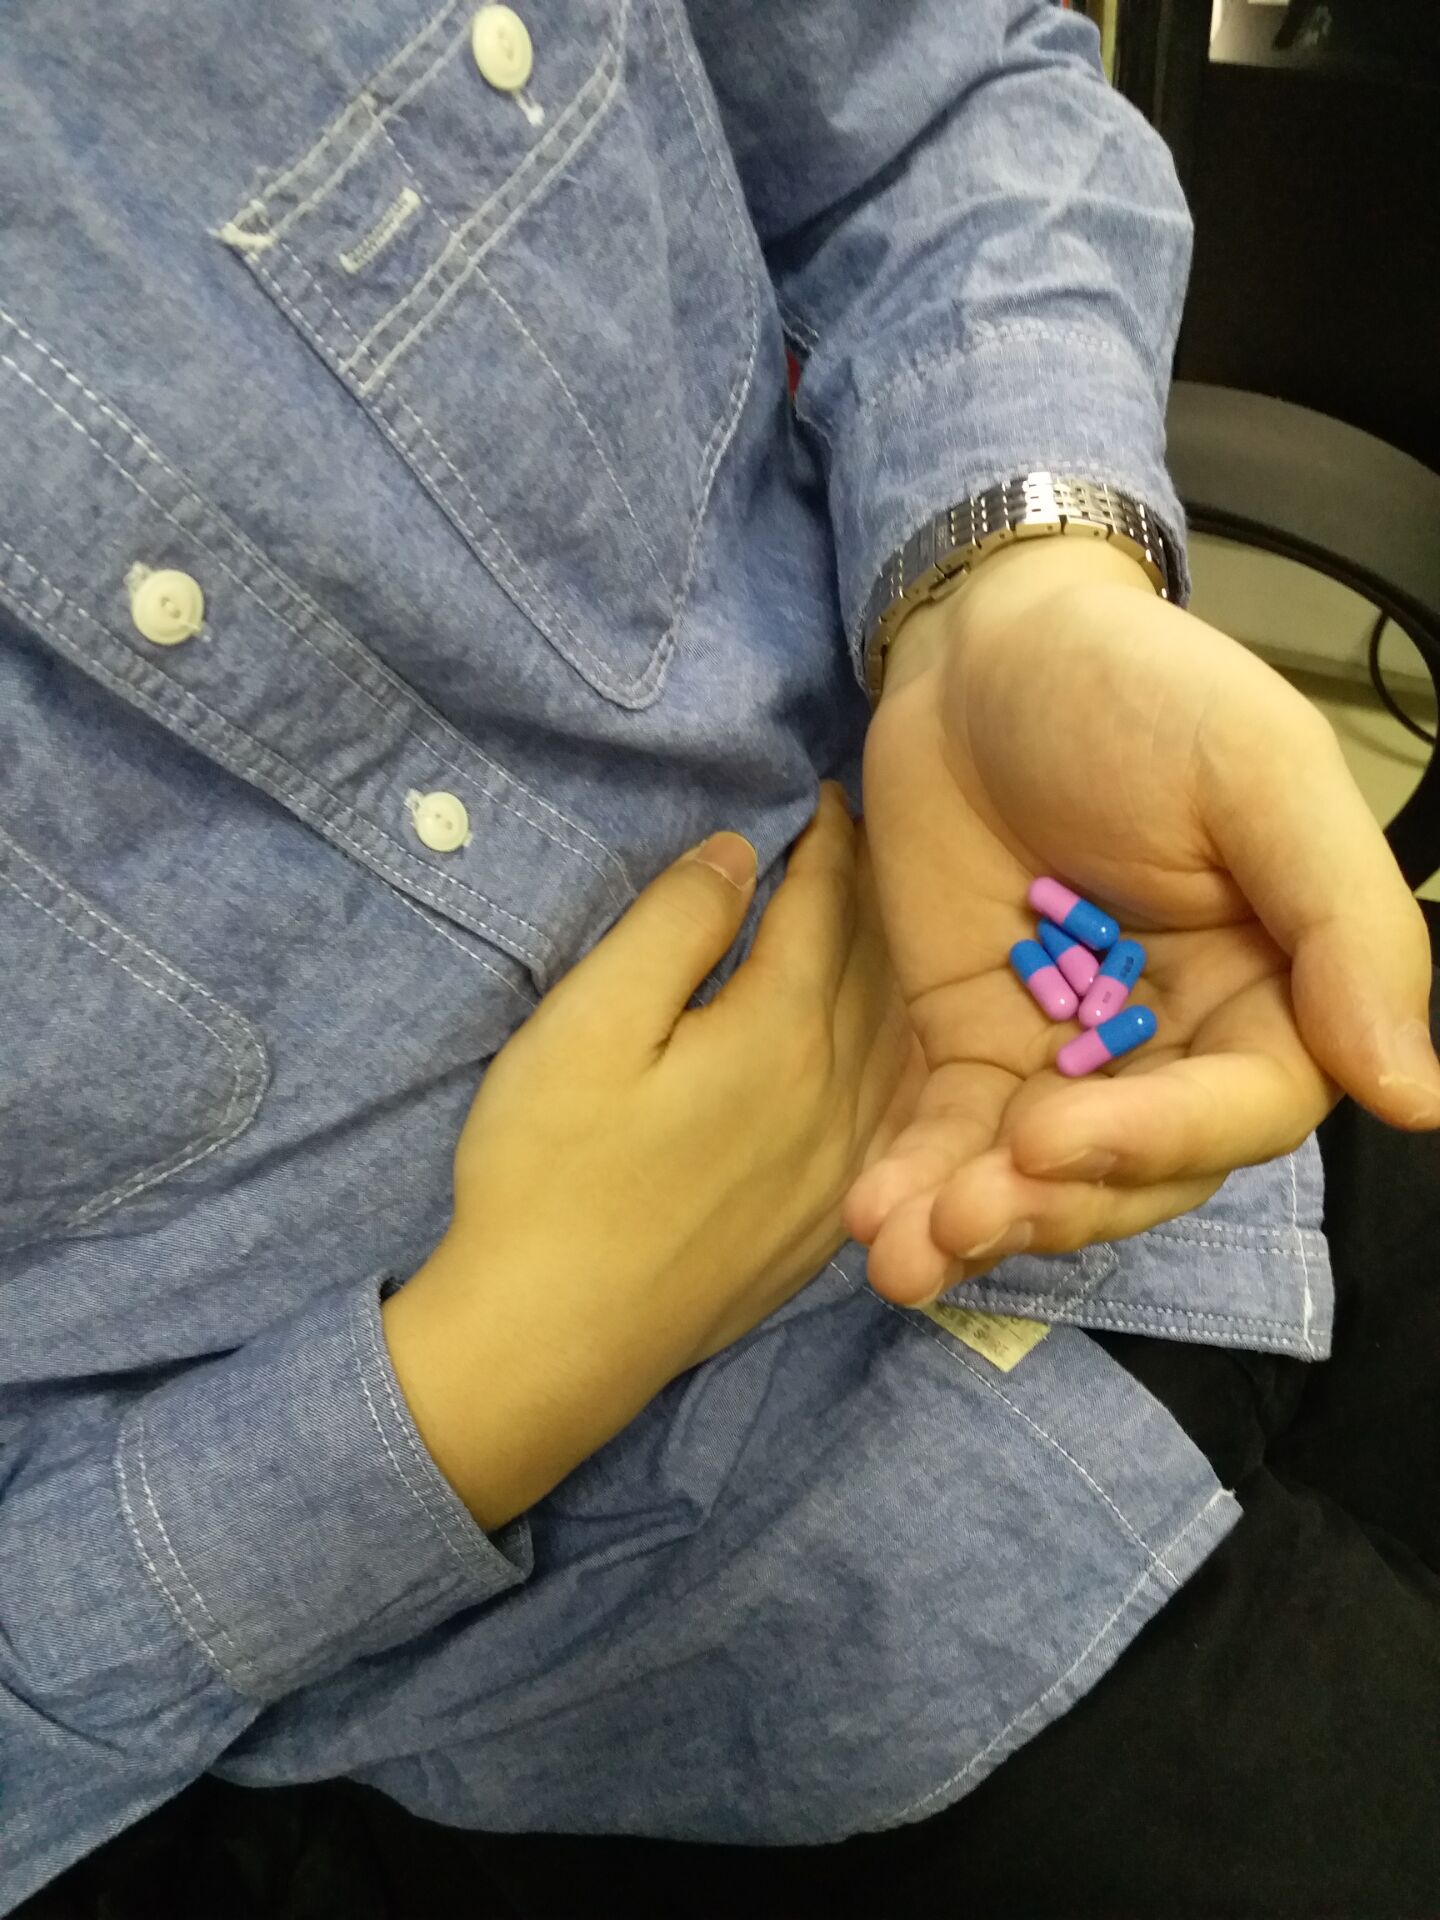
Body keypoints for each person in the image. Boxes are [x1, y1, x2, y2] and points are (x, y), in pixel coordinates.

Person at [3, 1, 1438, 1913]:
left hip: (1168, 1052)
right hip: (654, 1669)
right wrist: (490, 1381)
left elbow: (925, 92)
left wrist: (1015, 577)